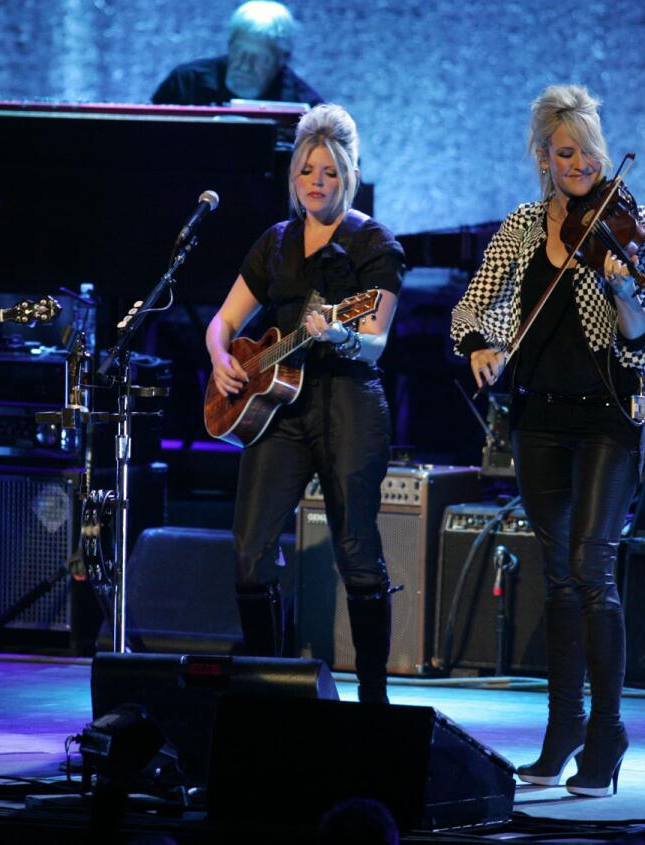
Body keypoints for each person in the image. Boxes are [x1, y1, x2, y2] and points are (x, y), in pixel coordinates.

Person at [450, 84, 645, 797]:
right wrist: (481, 342)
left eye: (588, 153)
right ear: (543, 156)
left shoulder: (625, 225)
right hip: (540, 419)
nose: (578, 165)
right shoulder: (520, 225)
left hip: (609, 416)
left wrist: (624, 294)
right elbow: (471, 305)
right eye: (564, 152)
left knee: (591, 568)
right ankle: (563, 726)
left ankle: (606, 733)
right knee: (558, 574)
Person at [206, 103, 401, 704]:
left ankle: (372, 698)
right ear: (293, 176)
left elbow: (375, 344)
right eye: (307, 172)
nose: (317, 182)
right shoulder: (276, 242)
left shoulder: (374, 244)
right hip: (279, 410)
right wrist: (220, 357)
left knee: (355, 548)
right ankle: (268, 687)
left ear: (350, 175)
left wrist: (339, 333)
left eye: (330, 173)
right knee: (251, 549)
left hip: (348, 401)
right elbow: (224, 321)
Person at [152, 1, 323, 107]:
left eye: (261, 59)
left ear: (282, 60)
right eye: (239, 52)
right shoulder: (185, 83)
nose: (245, 65)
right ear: (229, 45)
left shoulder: (306, 109)